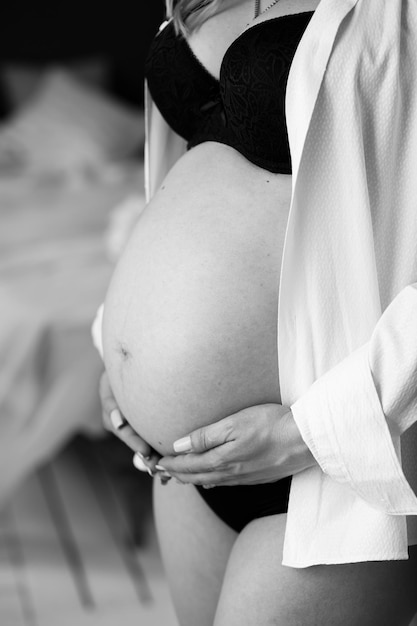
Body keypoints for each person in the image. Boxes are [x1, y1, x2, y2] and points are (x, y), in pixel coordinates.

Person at [95, 0, 417, 624]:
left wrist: (310, 433)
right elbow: (188, 169)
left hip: (332, 462)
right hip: (191, 466)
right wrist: (120, 345)